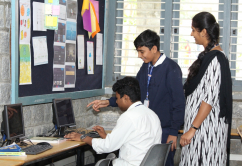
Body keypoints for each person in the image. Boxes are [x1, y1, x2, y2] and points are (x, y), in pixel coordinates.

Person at [87, 29, 185, 166]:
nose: (139, 55)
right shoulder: (145, 67)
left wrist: (174, 132)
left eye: (142, 51)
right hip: (145, 129)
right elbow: (131, 94)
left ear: (154, 48)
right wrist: (108, 102)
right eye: (138, 52)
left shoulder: (171, 68)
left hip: (164, 129)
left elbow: (179, 103)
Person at [65, 77, 162, 166]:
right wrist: (107, 137)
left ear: (125, 98)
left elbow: (107, 147)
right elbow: (135, 142)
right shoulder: (152, 114)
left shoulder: (129, 117)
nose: (116, 101)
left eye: (117, 98)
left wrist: (83, 137)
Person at [180, 12, 232, 165]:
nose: (192, 34)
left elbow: (209, 99)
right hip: (198, 130)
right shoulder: (207, 56)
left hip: (206, 131)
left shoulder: (216, 59)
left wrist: (192, 129)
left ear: (203, 31)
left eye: (194, 30)